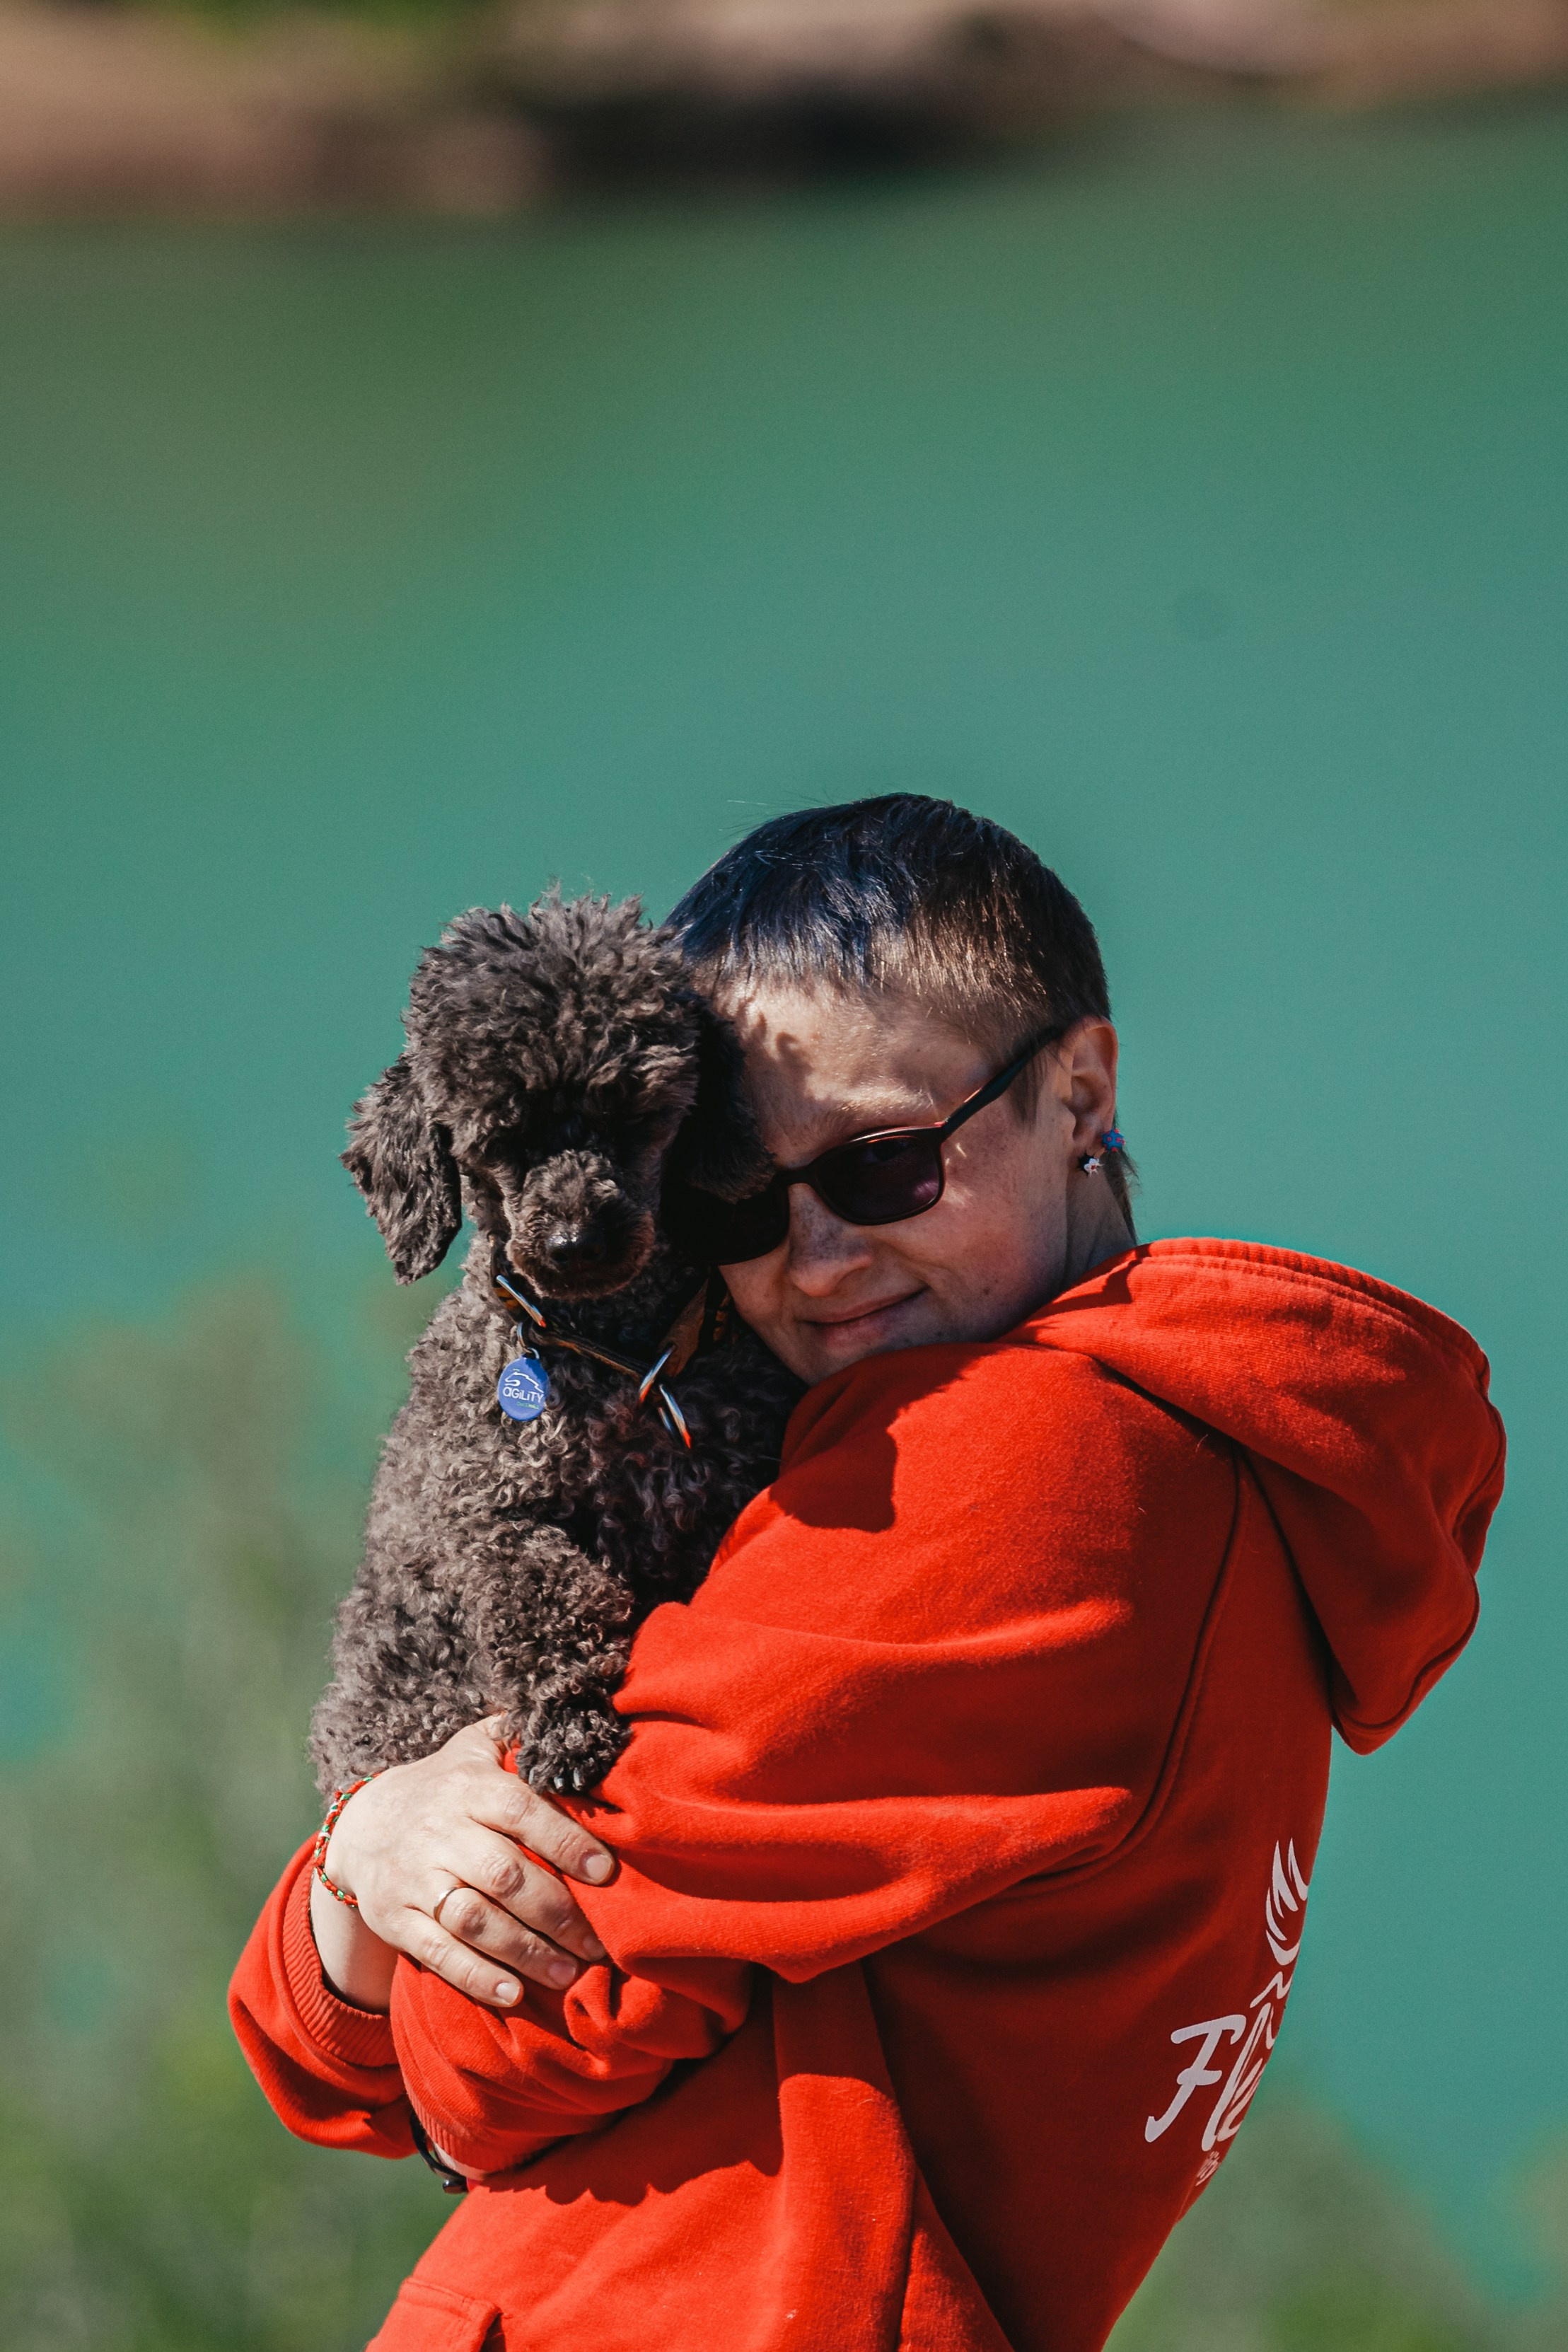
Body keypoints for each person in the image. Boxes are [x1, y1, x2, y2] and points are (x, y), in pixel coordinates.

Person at [231, 796, 1504, 2352]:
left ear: (1080, 1090)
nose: (813, 1256)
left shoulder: (1025, 1467)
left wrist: (359, 1880)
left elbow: (497, 2045)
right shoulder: (1220, 1455)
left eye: (886, 1164)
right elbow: (336, 2065)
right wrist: (372, 1854)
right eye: (733, 1197)